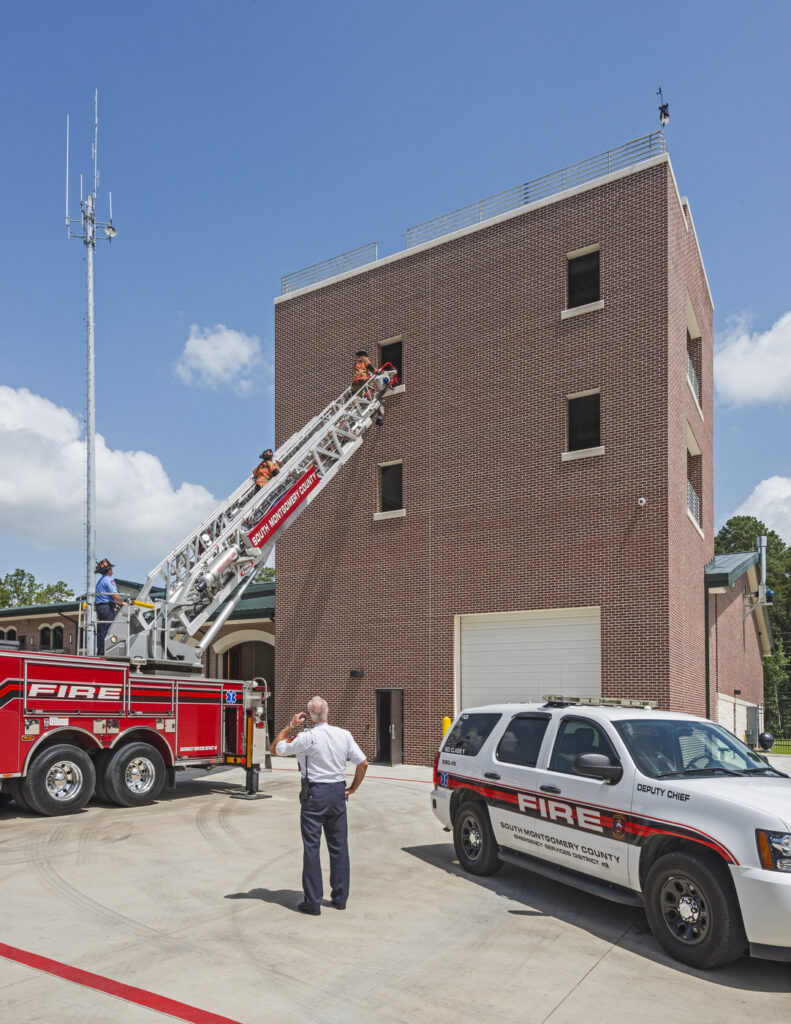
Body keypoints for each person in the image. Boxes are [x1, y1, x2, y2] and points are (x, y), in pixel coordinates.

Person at [270, 696, 368, 915]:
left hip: (314, 794)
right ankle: (340, 898)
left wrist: (290, 725)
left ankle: (312, 902)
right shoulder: (344, 735)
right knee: (339, 846)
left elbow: (275, 749)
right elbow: (363, 763)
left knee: (312, 847)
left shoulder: (307, 737)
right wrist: (351, 789)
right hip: (337, 792)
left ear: (308, 716)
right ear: (328, 712)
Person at [94, 558, 123, 656]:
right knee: (108, 629)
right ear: (109, 570)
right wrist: (122, 603)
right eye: (111, 569)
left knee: (103, 630)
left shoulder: (100, 581)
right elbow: (114, 595)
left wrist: (115, 604)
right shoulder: (109, 580)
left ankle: (100, 650)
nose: (113, 571)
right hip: (106, 608)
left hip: (101, 607)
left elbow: (105, 596)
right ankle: (104, 651)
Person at [351, 350, 384, 425]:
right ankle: (368, 396)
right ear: (364, 355)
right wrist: (378, 372)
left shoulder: (356, 361)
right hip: (363, 378)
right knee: (371, 386)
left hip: (356, 380)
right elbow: (370, 367)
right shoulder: (365, 359)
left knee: (358, 395)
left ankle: (358, 406)